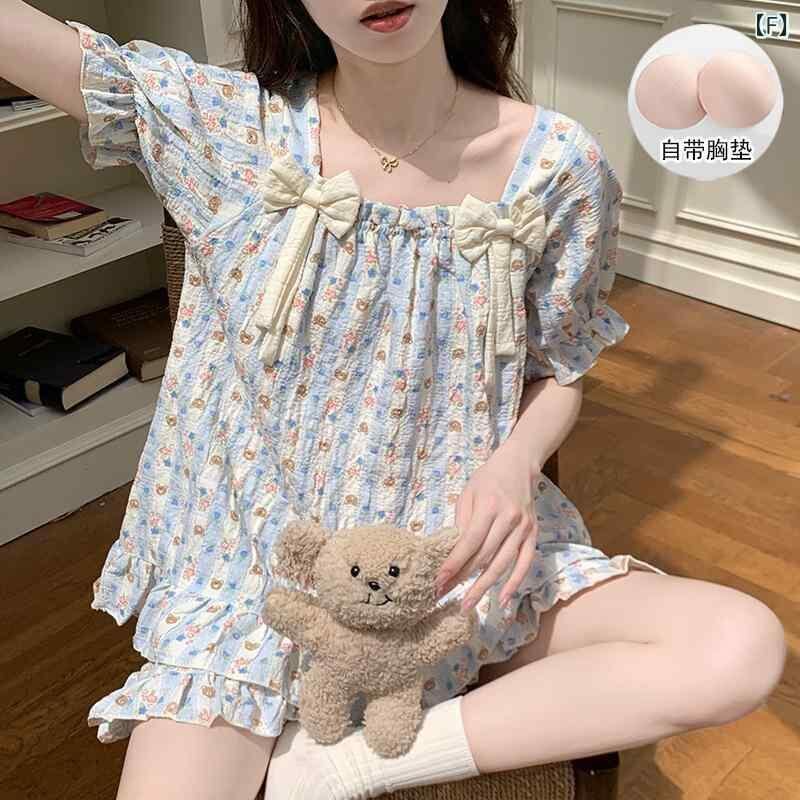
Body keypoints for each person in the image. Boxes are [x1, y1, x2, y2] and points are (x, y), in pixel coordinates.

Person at [1, 1, 787, 798]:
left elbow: (559, 367)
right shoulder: (227, 130)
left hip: (453, 570)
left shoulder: (555, 166)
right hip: (253, 585)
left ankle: (335, 770)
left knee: (738, 647)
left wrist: (516, 463)